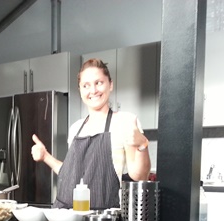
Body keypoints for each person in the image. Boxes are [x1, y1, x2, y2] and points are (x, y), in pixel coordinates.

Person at [31, 58, 151, 210]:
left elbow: (139, 176)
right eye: (86, 85)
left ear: (110, 84)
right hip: (67, 217)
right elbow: (70, 175)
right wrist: (45, 157)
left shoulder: (126, 121)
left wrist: (142, 145)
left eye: (98, 83)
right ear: (80, 90)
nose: (93, 91)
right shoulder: (76, 128)